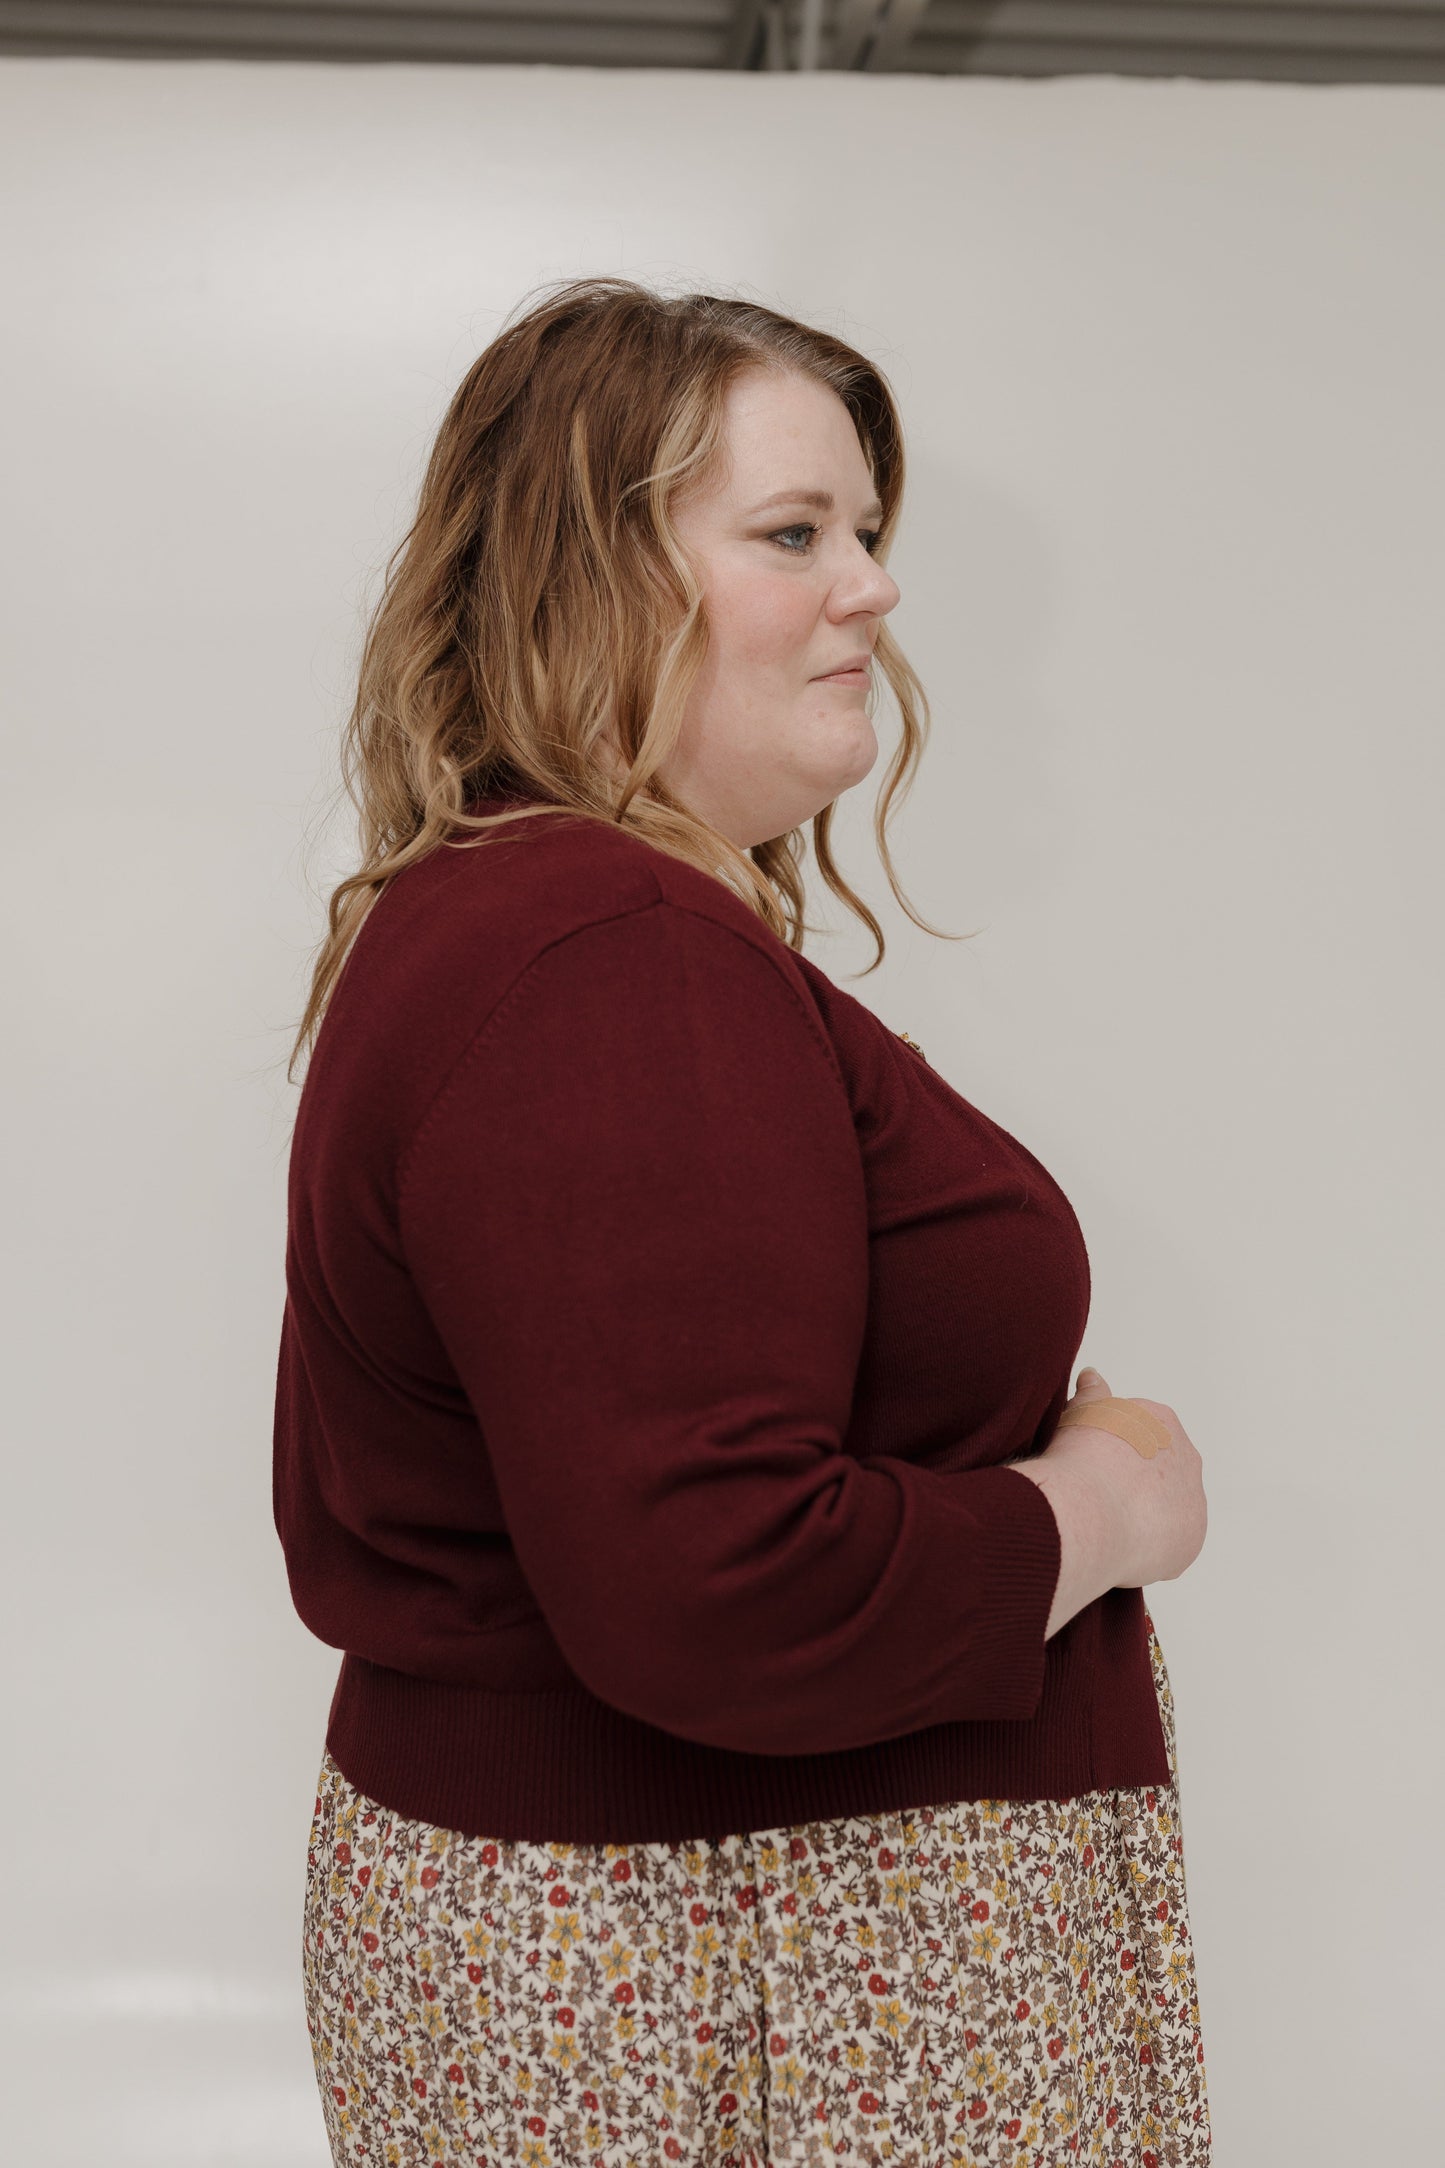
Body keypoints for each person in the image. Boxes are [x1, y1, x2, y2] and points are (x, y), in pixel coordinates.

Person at [274, 275, 1211, 2167]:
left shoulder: (537, 922)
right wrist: (1104, 1509)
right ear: (585, 586)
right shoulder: (608, 961)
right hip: (748, 1965)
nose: (869, 584)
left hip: (726, 1956)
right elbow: (724, 1584)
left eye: (865, 530)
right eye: (792, 535)